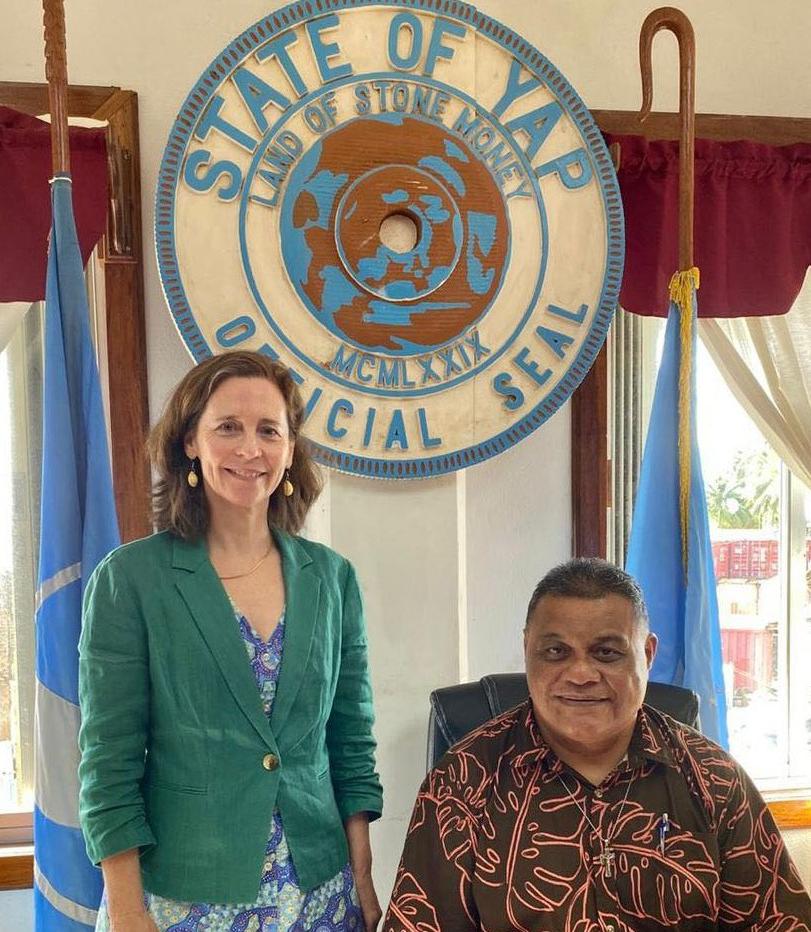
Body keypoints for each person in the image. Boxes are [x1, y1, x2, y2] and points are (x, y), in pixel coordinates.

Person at [79, 351, 383, 932]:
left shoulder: (332, 578)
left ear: (290, 450)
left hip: (321, 896)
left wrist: (364, 880)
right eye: (227, 427)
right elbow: (108, 762)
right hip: (184, 901)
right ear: (190, 442)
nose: (250, 449)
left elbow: (350, 744)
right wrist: (127, 912)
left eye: (269, 430)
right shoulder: (131, 580)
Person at [383, 558, 811, 932]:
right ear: (527, 650)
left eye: (606, 653)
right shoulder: (463, 782)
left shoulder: (714, 780)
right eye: (556, 652)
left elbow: (780, 921)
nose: (581, 674)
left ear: (647, 654)